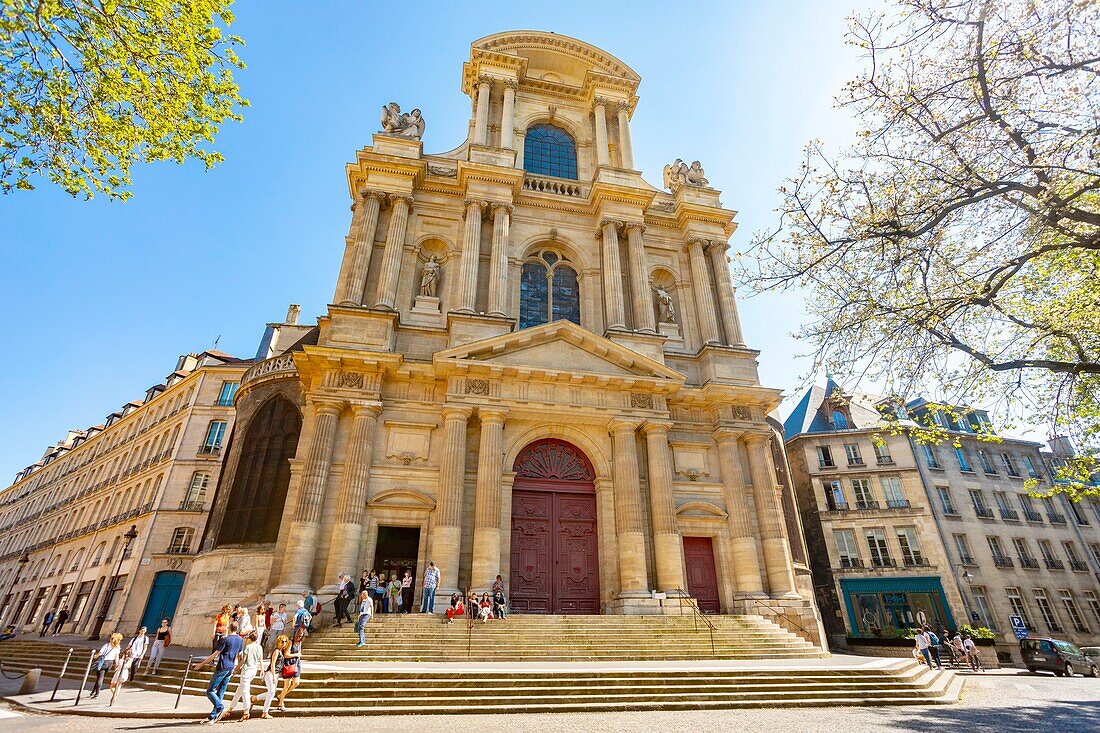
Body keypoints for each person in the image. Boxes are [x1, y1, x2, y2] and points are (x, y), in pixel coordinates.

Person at [193, 620, 243, 723]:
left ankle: (220, 708)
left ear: (229, 628)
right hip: (231, 668)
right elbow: (240, 656)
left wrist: (201, 664)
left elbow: (215, 654)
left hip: (222, 667)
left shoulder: (225, 639)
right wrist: (237, 668)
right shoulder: (240, 640)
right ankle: (213, 716)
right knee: (220, 692)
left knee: (210, 691)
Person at [223, 630, 262, 721]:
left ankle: (246, 711)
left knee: (245, 691)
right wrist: (262, 670)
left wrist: (236, 669)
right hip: (254, 670)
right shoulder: (259, 647)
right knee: (239, 690)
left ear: (249, 638)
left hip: (247, 671)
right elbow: (260, 659)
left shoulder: (248, 647)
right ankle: (230, 709)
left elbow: (243, 660)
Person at [259, 634, 289, 719]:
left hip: (276, 674)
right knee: (272, 692)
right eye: (282, 641)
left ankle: (254, 698)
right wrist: (272, 675)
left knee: (271, 692)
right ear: (279, 642)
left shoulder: (281, 651)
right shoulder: (276, 651)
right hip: (271, 673)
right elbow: (272, 663)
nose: (284, 643)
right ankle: (265, 712)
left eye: (285, 641)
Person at [275, 627, 304, 712]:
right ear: (295, 634)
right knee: (286, 685)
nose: (299, 637)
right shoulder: (290, 643)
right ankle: (280, 703)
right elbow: (286, 654)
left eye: (301, 636)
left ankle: (281, 696)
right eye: (298, 636)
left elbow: (299, 653)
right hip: (289, 664)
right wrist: (296, 654)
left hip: (296, 664)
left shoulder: (299, 643)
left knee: (296, 683)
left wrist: (298, 655)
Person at [89, 632, 122, 699]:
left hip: (103, 662)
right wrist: (117, 664)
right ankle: (93, 692)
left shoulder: (106, 645)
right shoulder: (117, 647)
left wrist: (95, 656)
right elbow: (116, 657)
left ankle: (97, 694)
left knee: (99, 678)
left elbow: (100, 653)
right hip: (110, 663)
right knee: (100, 677)